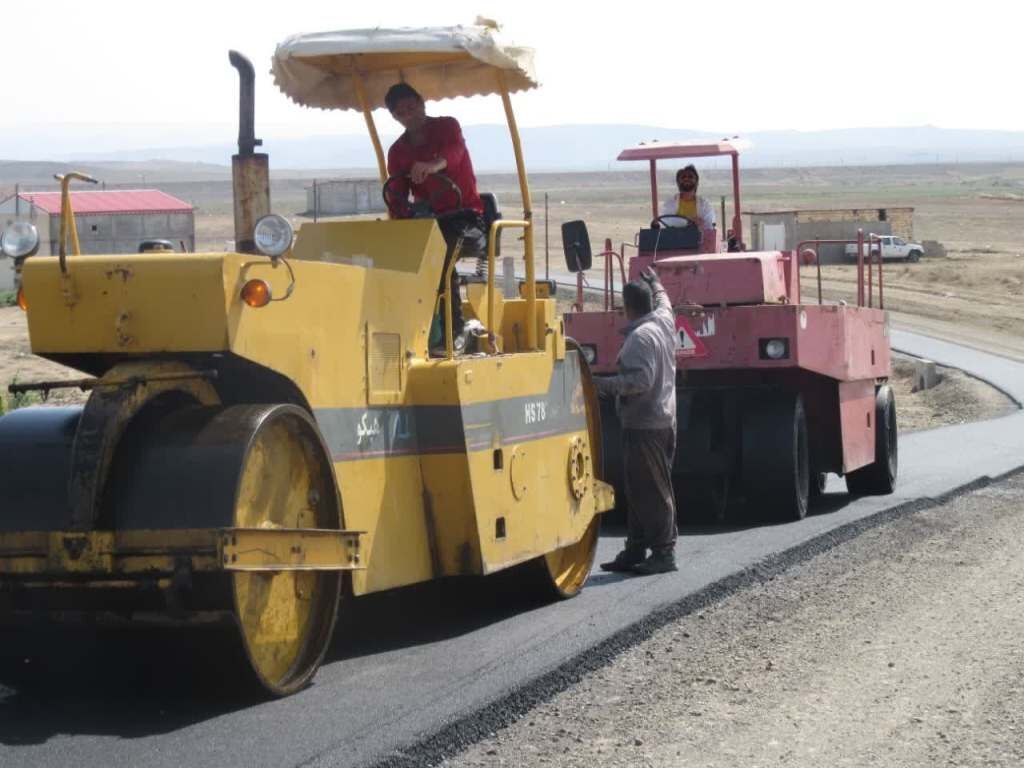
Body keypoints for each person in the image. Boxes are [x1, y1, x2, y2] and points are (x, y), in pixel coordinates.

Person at [384, 82, 486, 347]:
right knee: (396, 257)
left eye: (412, 106)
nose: (409, 114)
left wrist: (432, 166)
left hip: (466, 218)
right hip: (429, 223)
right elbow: (396, 195)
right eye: (401, 112)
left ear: (422, 102)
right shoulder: (397, 152)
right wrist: (398, 223)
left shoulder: (447, 127)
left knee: (440, 255)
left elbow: (454, 153)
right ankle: (404, 327)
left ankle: (452, 335)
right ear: (395, 117)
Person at [595, 268, 680, 575]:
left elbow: (640, 381)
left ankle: (663, 553)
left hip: (646, 424)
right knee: (638, 488)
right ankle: (635, 548)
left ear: (626, 307)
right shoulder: (663, 322)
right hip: (661, 419)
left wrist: (598, 386)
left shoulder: (639, 338)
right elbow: (665, 302)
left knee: (653, 491)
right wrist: (657, 282)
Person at [660, 164, 715, 231]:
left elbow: (709, 227)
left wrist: (701, 225)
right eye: (683, 177)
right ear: (678, 182)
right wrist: (690, 221)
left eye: (690, 177)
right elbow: (665, 222)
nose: (686, 179)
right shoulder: (669, 203)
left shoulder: (705, 205)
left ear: (697, 182)